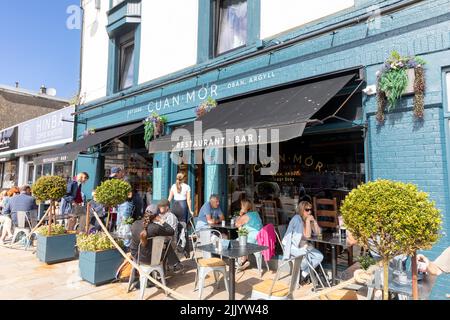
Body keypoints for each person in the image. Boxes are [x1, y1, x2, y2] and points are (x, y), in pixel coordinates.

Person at [282, 201, 324, 283]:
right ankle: (299, 273)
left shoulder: (306, 219)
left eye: (310, 210)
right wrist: (308, 221)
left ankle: (303, 274)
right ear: (301, 210)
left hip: (303, 246)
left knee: (319, 256)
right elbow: (307, 236)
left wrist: (314, 221)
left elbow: (318, 233)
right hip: (292, 247)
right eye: (307, 210)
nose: (309, 212)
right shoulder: (297, 219)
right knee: (308, 259)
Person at [235, 199, 263, 272]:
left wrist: (240, 214)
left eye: (241, 206)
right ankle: (244, 260)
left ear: (244, 207)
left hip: (253, 238)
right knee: (243, 237)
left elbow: (237, 224)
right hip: (259, 237)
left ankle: (241, 261)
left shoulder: (247, 216)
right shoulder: (255, 213)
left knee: (237, 242)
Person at [158, 199, 184, 272]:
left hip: (169, 241)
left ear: (167, 207)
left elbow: (171, 232)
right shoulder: (159, 215)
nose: (159, 208)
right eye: (159, 206)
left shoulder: (171, 217)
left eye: (161, 206)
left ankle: (161, 270)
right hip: (161, 239)